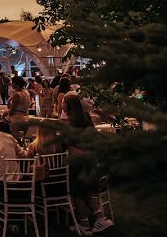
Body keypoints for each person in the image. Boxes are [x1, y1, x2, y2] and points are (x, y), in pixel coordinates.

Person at [63, 93, 114, 234]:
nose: (61, 104)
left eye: (63, 102)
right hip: (91, 165)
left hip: (78, 165)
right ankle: (100, 218)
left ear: (68, 106)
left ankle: (84, 225)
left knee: (77, 194)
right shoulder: (86, 118)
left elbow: (70, 148)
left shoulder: (69, 124)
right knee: (89, 192)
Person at [7, 75, 32, 140]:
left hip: (17, 118)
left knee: (15, 139)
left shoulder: (17, 95)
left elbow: (12, 110)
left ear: (16, 84)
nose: (11, 84)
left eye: (13, 83)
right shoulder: (26, 93)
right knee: (23, 138)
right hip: (26, 117)